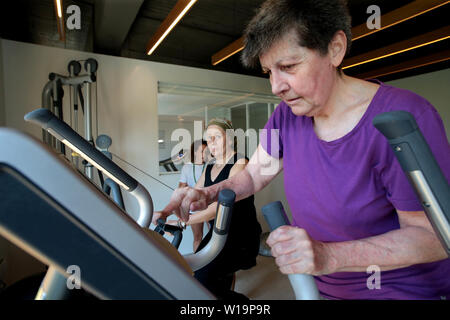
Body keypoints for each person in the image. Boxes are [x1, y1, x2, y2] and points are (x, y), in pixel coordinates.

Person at [156, 0, 450, 300]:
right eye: (269, 71)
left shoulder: (404, 117)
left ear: (335, 49)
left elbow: (436, 237)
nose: (275, 86)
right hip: (321, 287)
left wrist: (330, 256)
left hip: (400, 291)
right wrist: (207, 193)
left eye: (288, 66)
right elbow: (255, 175)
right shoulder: (286, 116)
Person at [155, 118, 262, 300]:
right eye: (208, 138)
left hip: (240, 237)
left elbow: (217, 208)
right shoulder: (210, 166)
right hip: (218, 234)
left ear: (229, 138)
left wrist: (182, 223)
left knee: (203, 279)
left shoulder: (240, 162)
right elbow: (192, 193)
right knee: (202, 277)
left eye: (216, 137)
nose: (211, 143)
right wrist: (164, 212)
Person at [176, 140, 208, 251]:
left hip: (210, 205)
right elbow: (181, 188)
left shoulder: (212, 166)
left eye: (206, 151)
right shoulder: (187, 168)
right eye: (202, 151)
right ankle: (199, 266)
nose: (205, 154)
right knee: (198, 237)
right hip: (195, 207)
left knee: (215, 236)